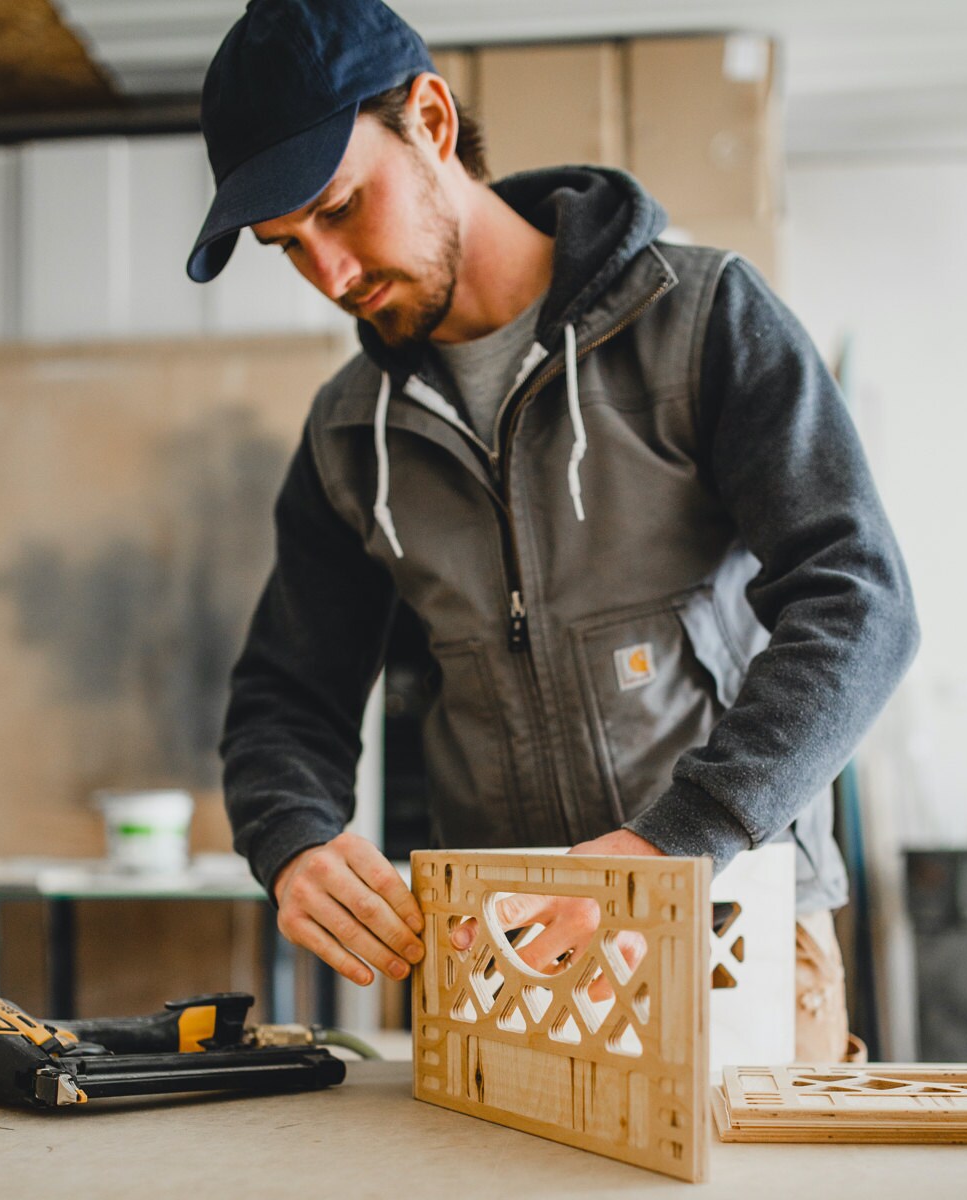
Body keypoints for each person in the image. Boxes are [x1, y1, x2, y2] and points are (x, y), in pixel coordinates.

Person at [187, 0, 918, 1060]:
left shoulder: (701, 318)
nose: (332, 277)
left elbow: (859, 599)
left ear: (430, 120)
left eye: (341, 209)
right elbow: (283, 698)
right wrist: (292, 838)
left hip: (729, 930)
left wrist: (676, 843)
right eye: (288, 247)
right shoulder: (351, 431)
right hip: (508, 963)